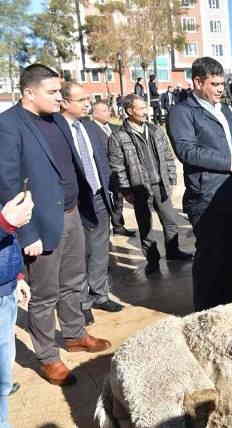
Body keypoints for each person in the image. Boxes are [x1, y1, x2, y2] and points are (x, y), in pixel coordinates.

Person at [0, 64, 112, 386]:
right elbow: (7, 184)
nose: (59, 98)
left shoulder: (58, 121)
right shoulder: (9, 125)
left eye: (60, 92)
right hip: (40, 222)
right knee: (45, 294)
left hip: (72, 213)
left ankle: (75, 334)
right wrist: (26, 233)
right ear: (29, 92)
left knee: (74, 281)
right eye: (52, 92)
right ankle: (48, 356)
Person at [167, 57, 232, 311]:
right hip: (206, 197)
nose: (220, 89)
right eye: (214, 84)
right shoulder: (181, 112)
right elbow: (187, 151)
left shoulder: (224, 109)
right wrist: (228, 162)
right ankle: (205, 311)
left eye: (222, 83)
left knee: (230, 254)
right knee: (210, 260)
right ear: (197, 81)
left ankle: (225, 304)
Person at [60, 83, 124, 326]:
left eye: (88, 99)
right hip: (75, 202)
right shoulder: (56, 129)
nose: (87, 104)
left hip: (98, 196)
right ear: (64, 102)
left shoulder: (89, 127)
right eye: (81, 100)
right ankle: (81, 303)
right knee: (77, 256)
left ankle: (99, 294)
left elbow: (102, 160)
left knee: (99, 250)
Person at [109, 94, 192, 275]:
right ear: (130, 111)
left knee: (170, 221)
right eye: (141, 108)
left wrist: (170, 178)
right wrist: (126, 190)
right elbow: (117, 167)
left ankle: (173, 251)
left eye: (145, 108)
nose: (146, 112)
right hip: (139, 188)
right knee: (145, 226)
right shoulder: (119, 136)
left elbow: (168, 156)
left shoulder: (155, 130)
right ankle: (152, 260)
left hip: (160, 184)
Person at [0, 191, 33, 426]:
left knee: (5, 358)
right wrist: (5, 223)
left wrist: (17, 274)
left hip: (7, 289)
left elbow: (10, 238)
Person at [91, 101, 136, 238]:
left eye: (108, 110)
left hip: (117, 171)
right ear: (95, 113)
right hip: (103, 172)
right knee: (106, 201)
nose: (109, 113)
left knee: (118, 199)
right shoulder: (90, 130)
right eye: (104, 110)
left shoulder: (115, 128)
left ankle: (118, 225)